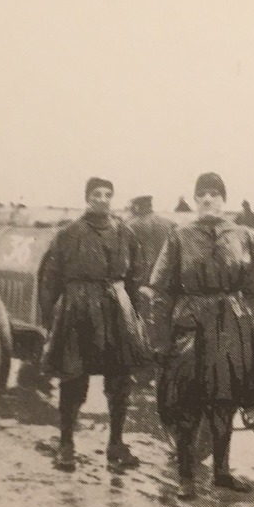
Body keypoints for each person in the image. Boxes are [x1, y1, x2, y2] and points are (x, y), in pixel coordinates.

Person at [150, 172, 254, 500]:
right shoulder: (179, 236)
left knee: (224, 402)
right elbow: (162, 291)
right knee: (188, 403)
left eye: (214, 194)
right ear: (195, 199)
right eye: (202, 194)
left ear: (224, 199)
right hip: (192, 326)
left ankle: (222, 471)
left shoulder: (242, 235)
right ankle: (186, 476)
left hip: (231, 326)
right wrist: (160, 340)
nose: (207, 199)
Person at [38, 177, 151, 472]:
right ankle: (66, 445)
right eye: (96, 194)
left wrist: (134, 313)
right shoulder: (68, 235)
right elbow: (49, 280)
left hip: (115, 308)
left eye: (107, 194)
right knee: (73, 377)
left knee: (120, 381)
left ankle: (115, 445)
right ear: (87, 198)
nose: (102, 199)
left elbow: (137, 276)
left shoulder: (125, 234)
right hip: (78, 310)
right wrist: (52, 320)